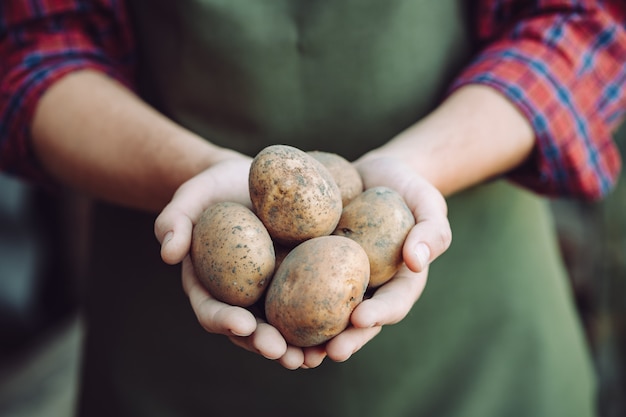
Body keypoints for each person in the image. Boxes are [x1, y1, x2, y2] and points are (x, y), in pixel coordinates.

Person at [1, 0, 625, 416]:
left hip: (480, 350)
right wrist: (190, 171)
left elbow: (586, 19)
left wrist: (421, 165)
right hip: (171, 352)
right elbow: (33, 49)